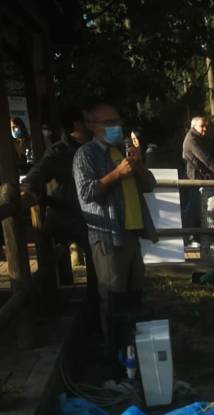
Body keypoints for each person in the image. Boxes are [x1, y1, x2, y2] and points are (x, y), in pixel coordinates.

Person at [72, 102, 157, 376]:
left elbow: (149, 185)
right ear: (93, 126)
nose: (115, 126)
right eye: (108, 122)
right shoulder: (85, 155)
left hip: (131, 235)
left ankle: (134, 357)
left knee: (134, 300)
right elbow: (85, 193)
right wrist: (116, 174)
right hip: (108, 237)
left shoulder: (122, 151)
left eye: (117, 120)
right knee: (113, 302)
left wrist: (137, 165)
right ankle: (113, 366)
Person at [22, 104, 96, 318]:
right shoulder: (59, 152)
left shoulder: (93, 147)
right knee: (88, 254)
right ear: (78, 124)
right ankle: (47, 308)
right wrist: (26, 190)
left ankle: (93, 307)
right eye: (87, 120)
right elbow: (39, 172)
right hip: (65, 216)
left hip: (86, 217)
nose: (91, 124)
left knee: (96, 261)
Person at [181, 115, 214, 248]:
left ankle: (192, 236)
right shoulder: (193, 140)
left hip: (198, 178)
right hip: (195, 180)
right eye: (202, 126)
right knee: (194, 208)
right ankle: (190, 237)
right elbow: (207, 160)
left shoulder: (197, 139)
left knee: (196, 207)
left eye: (206, 126)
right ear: (194, 126)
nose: (205, 128)